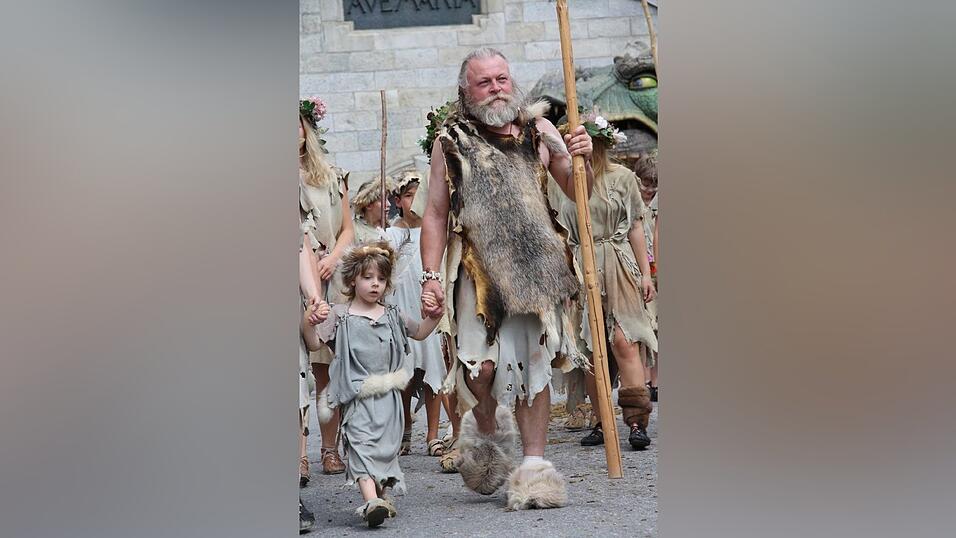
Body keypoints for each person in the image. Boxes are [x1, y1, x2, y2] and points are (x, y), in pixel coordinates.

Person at [419, 47, 594, 510]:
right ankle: (486, 420)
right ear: (466, 91)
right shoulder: (451, 141)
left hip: (537, 271)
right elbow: (434, 215)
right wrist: (430, 277)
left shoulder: (539, 129)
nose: (497, 87)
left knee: (533, 370)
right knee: (482, 370)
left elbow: (577, 192)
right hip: (478, 273)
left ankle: (535, 467)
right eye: (485, 82)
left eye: (501, 78)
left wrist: (582, 158)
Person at [314, 241, 442, 528]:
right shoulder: (340, 315)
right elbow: (313, 342)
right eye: (368, 278)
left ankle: (379, 499)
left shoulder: (393, 314)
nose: (375, 285)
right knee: (360, 446)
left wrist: (434, 317)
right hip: (357, 395)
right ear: (351, 279)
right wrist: (311, 319)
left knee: (385, 450)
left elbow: (420, 332)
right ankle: (371, 499)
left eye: (381, 279)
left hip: (389, 399)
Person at [554, 114, 658, 450]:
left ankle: (637, 419)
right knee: (592, 344)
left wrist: (645, 273)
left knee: (624, 340)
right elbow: (560, 235)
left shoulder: (623, 178)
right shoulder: (565, 185)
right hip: (583, 266)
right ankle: (601, 421)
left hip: (617, 260)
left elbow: (636, 227)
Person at [299, 97, 354, 475]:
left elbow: (348, 227)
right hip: (297, 269)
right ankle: (311, 452)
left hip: (332, 273)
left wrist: (333, 257)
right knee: (306, 365)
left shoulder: (330, 174)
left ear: (305, 130)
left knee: (336, 365)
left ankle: (341, 445)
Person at [385, 171, 448, 457]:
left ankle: (433, 434)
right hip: (402, 306)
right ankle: (406, 426)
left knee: (432, 367)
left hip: (428, 305)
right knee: (406, 373)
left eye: (418, 196)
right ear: (398, 200)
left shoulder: (433, 231)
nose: (414, 201)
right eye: (409, 196)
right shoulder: (392, 234)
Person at [634, 149, 660, 402]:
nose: (649, 190)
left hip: (657, 269)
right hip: (640, 270)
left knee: (659, 327)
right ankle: (642, 379)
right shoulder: (634, 202)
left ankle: (657, 380)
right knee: (644, 329)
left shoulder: (658, 204)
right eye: (646, 184)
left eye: (655, 186)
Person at [351, 176, 394, 244]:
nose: (389, 204)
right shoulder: (353, 229)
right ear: (368, 205)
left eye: (387, 199)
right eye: (382, 200)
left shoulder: (392, 228)